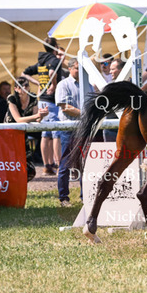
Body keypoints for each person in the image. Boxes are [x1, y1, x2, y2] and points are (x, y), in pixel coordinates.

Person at [22, 37, 64, 176]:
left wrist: (38, 83)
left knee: (45, 133)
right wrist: (53, 85)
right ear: (55, 47)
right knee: (57, 132)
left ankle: (47, 166)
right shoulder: (54, 60)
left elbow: (24, 73)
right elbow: (52, 73)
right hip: (52, 100)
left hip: (42, 101)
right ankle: (59, 166)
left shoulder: (41, 61)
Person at [55, 58, 82, 207]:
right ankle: (63, 198)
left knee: (84, 164)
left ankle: (85, 197)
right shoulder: (63, 84)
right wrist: (84, 114)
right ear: (70, 68)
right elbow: (65, 107)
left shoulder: (87, 84)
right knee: (65, 164)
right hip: (68, 129)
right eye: (77, 68)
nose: (79, 70)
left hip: (83, 129)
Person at [103, 58, 127, 142]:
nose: (110, 72)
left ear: (121, 70)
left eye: (112, 69)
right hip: (110, 129)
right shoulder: (109, 85)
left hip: (128, 128)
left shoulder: (133, 84)